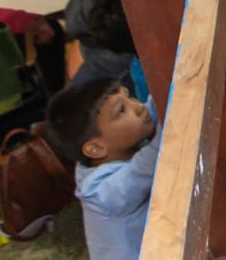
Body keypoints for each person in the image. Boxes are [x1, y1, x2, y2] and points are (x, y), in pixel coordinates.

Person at [47, 77, 161, 260]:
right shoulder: (102, 191)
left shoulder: (110, 152)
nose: (138, 107)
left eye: (130, 97)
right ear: (96, 148)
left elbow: (153, 108)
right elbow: (152, 158)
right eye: (122, 110)